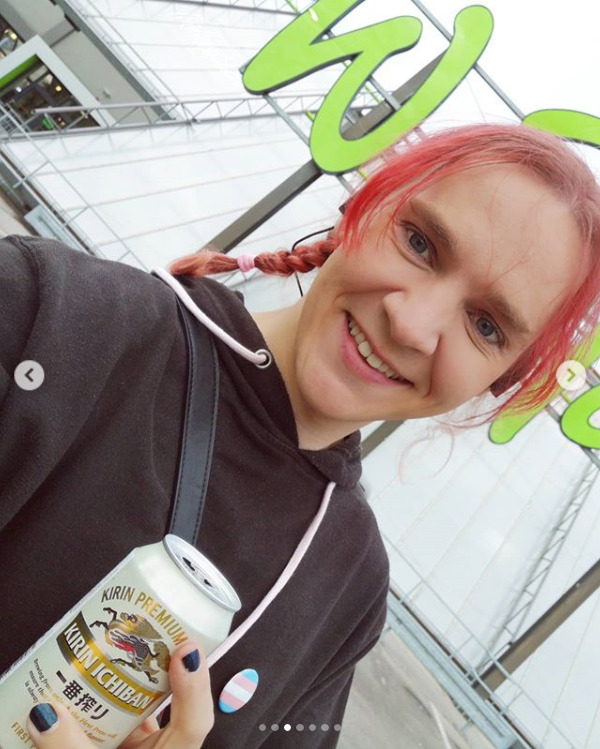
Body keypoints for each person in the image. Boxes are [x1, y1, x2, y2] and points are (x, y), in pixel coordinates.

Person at [1, 122, 599, 749]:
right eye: (420, 243)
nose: (410, 323)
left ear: (499, 382)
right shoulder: (50, 317)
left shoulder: (349, 585)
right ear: (362, 208)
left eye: (486, 325)